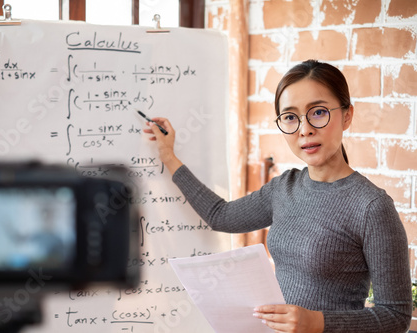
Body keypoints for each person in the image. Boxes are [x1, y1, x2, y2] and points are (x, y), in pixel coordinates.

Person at [143, 59, 412, 333]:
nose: (304, 129)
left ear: (347, 115)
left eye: (318, 112)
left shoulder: (372, 207)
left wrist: (316, 322)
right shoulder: (285, 188)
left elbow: (396, 317)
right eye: (291, 117)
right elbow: (220, 215)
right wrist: (169, 157)